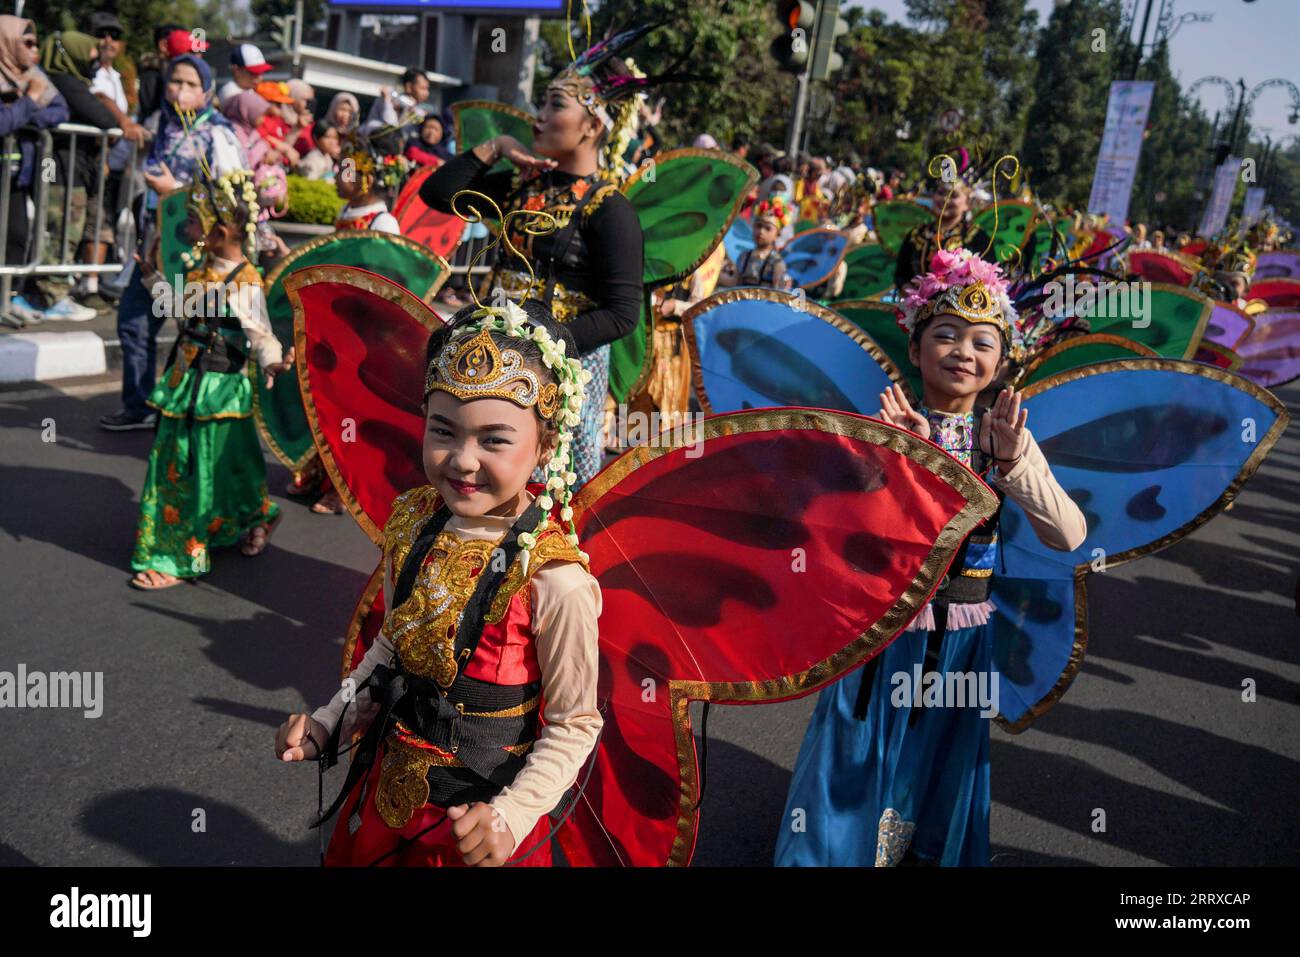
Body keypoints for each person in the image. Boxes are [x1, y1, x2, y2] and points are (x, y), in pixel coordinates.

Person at [775, 247, 1087, 867]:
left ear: (1001, 363)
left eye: (981, 342)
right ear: (915, 350)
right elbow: (833, 531)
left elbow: (1070, 537)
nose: (962, 353)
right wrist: (894, 459)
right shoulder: (883, 426)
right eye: (944, 335)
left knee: (939, 761)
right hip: (881, 631)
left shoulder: (1008, 442)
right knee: (855, 748)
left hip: (963, 638)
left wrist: (1016, 466)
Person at [275, 296, 603, 867]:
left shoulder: (556, 579)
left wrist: (511, 816)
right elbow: (389, 648)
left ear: (546, 447)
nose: (463, 461)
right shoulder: (413, 520)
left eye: (494, 440)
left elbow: (575, 723)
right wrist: (331, 720)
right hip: (387, 804)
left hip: (477, 831)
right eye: (443, 431)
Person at [418, 26, 674, 487]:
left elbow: (621, 315)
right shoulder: (521, 186)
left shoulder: (610, 209)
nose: (538, 117)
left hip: (564, 368)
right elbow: (438, 193)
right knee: (476, 478)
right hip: (495, 357)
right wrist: (495, 147)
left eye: (555, 105)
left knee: (549, 494)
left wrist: (544, 348)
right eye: (542, 102)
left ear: (593, 125)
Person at [129, 169, 294, 589]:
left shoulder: (244, 282)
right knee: (187, 466)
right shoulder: (203, 268)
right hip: (185, 382)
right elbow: (184, 311)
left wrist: (273, 363)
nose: (186, 229)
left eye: (192, 222)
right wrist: (152, 278)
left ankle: (182, 553)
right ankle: (248, 519)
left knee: (207, 470)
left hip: (220, 388)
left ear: (219, 231)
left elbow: (261, 336)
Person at [100, 53, 246, 431]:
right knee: (133, 323)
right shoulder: (161, 125)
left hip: (195, 254)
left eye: (190, 84)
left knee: (193, 334)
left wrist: (176, 190)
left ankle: (186, 414)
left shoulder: (218, 133)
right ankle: (140, 406)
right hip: (154, 247)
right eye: (175, 81)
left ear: (206, 91)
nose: (180, 90)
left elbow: (231, 199)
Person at [36, 30, 117, 316]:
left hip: (73, 169)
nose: (94, 61)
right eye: (90, 55)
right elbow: (104, 118)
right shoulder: (64, 82)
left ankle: (55, 290)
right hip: (60, 170)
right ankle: (51, 294)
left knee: (67, 230)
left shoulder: (72, 82)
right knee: (62, 230)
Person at [1, 17, 72, 325]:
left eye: (35, 43)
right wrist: (29, 101)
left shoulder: (33, 76)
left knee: (20, 233)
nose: (33, 50)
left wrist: (26, 116)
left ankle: (8, 296)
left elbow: (61, 110)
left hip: (22, 170)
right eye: (25, 43)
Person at [728, 196, 793, 290]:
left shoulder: (777, 262)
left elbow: (779, 293)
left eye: (768, 228)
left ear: (777, 235)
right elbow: (734, 283)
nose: (761, 231)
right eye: (758, 226)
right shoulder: (744, 256)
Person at [365, 67, 429, 132]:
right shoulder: (388, 98)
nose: (427, 93)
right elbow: (391, 125)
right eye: (423, 88)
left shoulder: (418, 111)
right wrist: (387, 101)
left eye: (427, 89)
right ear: (408, 87)